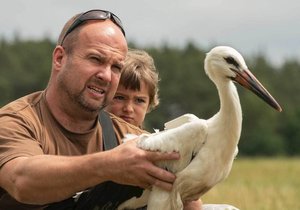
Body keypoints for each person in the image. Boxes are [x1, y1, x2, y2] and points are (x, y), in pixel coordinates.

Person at [0, 9, 180, 210]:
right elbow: (22, 182)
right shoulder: (16, 122)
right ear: (60, 58)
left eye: (116, 67)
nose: (106, 75)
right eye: (96, 59)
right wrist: (110, 166)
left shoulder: (128, 137)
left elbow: (185, 194)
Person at [106, 49, 203, 210]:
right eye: (119, 97)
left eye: (139, 100)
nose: (128, 108)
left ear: (150, 103)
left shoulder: (158, 148)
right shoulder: (93, 139)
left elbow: (190, 203)